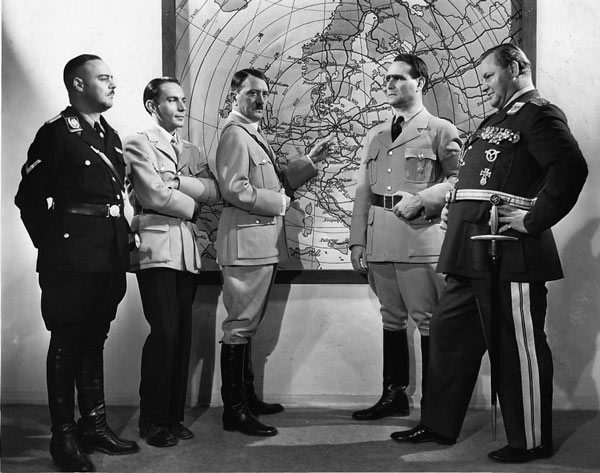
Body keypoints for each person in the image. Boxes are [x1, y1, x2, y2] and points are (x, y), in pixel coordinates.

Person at [391, 44, 588, 463]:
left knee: (517, 349)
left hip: (510, 254)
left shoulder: (540, 114)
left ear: (516, 68)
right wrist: (454, 208)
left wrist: (532, 219)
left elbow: (571, 169)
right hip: (469, 250)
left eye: (487, 76)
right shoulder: (494, 120)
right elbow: (478, 177)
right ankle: (439, 424)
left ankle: (530, 440)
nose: (482, 86)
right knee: (448, 335)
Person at [14, 54, 139, 472]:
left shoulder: (111, 136)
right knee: (67, 345)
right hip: (69, 259)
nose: (113, 84)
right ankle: (63, 437)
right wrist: (53, 245)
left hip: (107, 254)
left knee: (94, 339)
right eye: (104, 77)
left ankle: (94, 426)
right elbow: (28, 198)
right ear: (78, 84)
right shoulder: (56, 134)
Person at [214, 68, 333, 437]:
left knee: (247, 327)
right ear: (235, 96)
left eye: (264, 94)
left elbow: (272, 181)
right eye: (252, 93)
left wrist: (308, 163)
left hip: (258, 245)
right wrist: (279, 202)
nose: (260, 100)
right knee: (239, 327)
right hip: (245, 245)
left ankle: (246, 399)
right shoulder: (235, 135)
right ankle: (234, 411)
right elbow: (235, 189)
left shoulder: (252, 134)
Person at [348, 53, 461, 421]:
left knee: (427, 320)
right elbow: (364, 189)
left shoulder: (440, 129)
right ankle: (393, 395)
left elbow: (460, 181)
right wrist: (357, 240)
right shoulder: (376, 134)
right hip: (380, 238)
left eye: (399, 78)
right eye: (388, 79)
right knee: (391, 319)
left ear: (420, 83)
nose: (390, 84)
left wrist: (425, 199)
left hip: (419, 239)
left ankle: (435, 407)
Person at [123, 77, 220, 448]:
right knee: (163, 332)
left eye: (183, 101)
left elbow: (214, 190)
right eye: (172, 101)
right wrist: (188, 194)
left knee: (180, 336)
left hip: (185, 246)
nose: (181, 107)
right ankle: (151, 420)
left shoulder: (191, 150)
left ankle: (172, 416)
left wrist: (176, 182)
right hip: (155, 245)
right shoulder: (137, 143)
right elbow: (153, 194)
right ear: (152, 105)